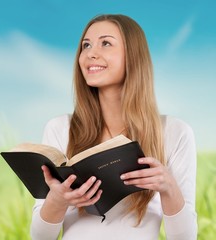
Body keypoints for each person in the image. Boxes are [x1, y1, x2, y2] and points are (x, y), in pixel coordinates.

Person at [30, 14, 197, 240]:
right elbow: (41, 237)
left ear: (133, 56)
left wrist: (168, 187)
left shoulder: (174, 132)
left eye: (106, 43)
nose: (90, 53)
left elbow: (185, 238)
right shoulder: (60, 128)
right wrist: (57, 200)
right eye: (86, 45)